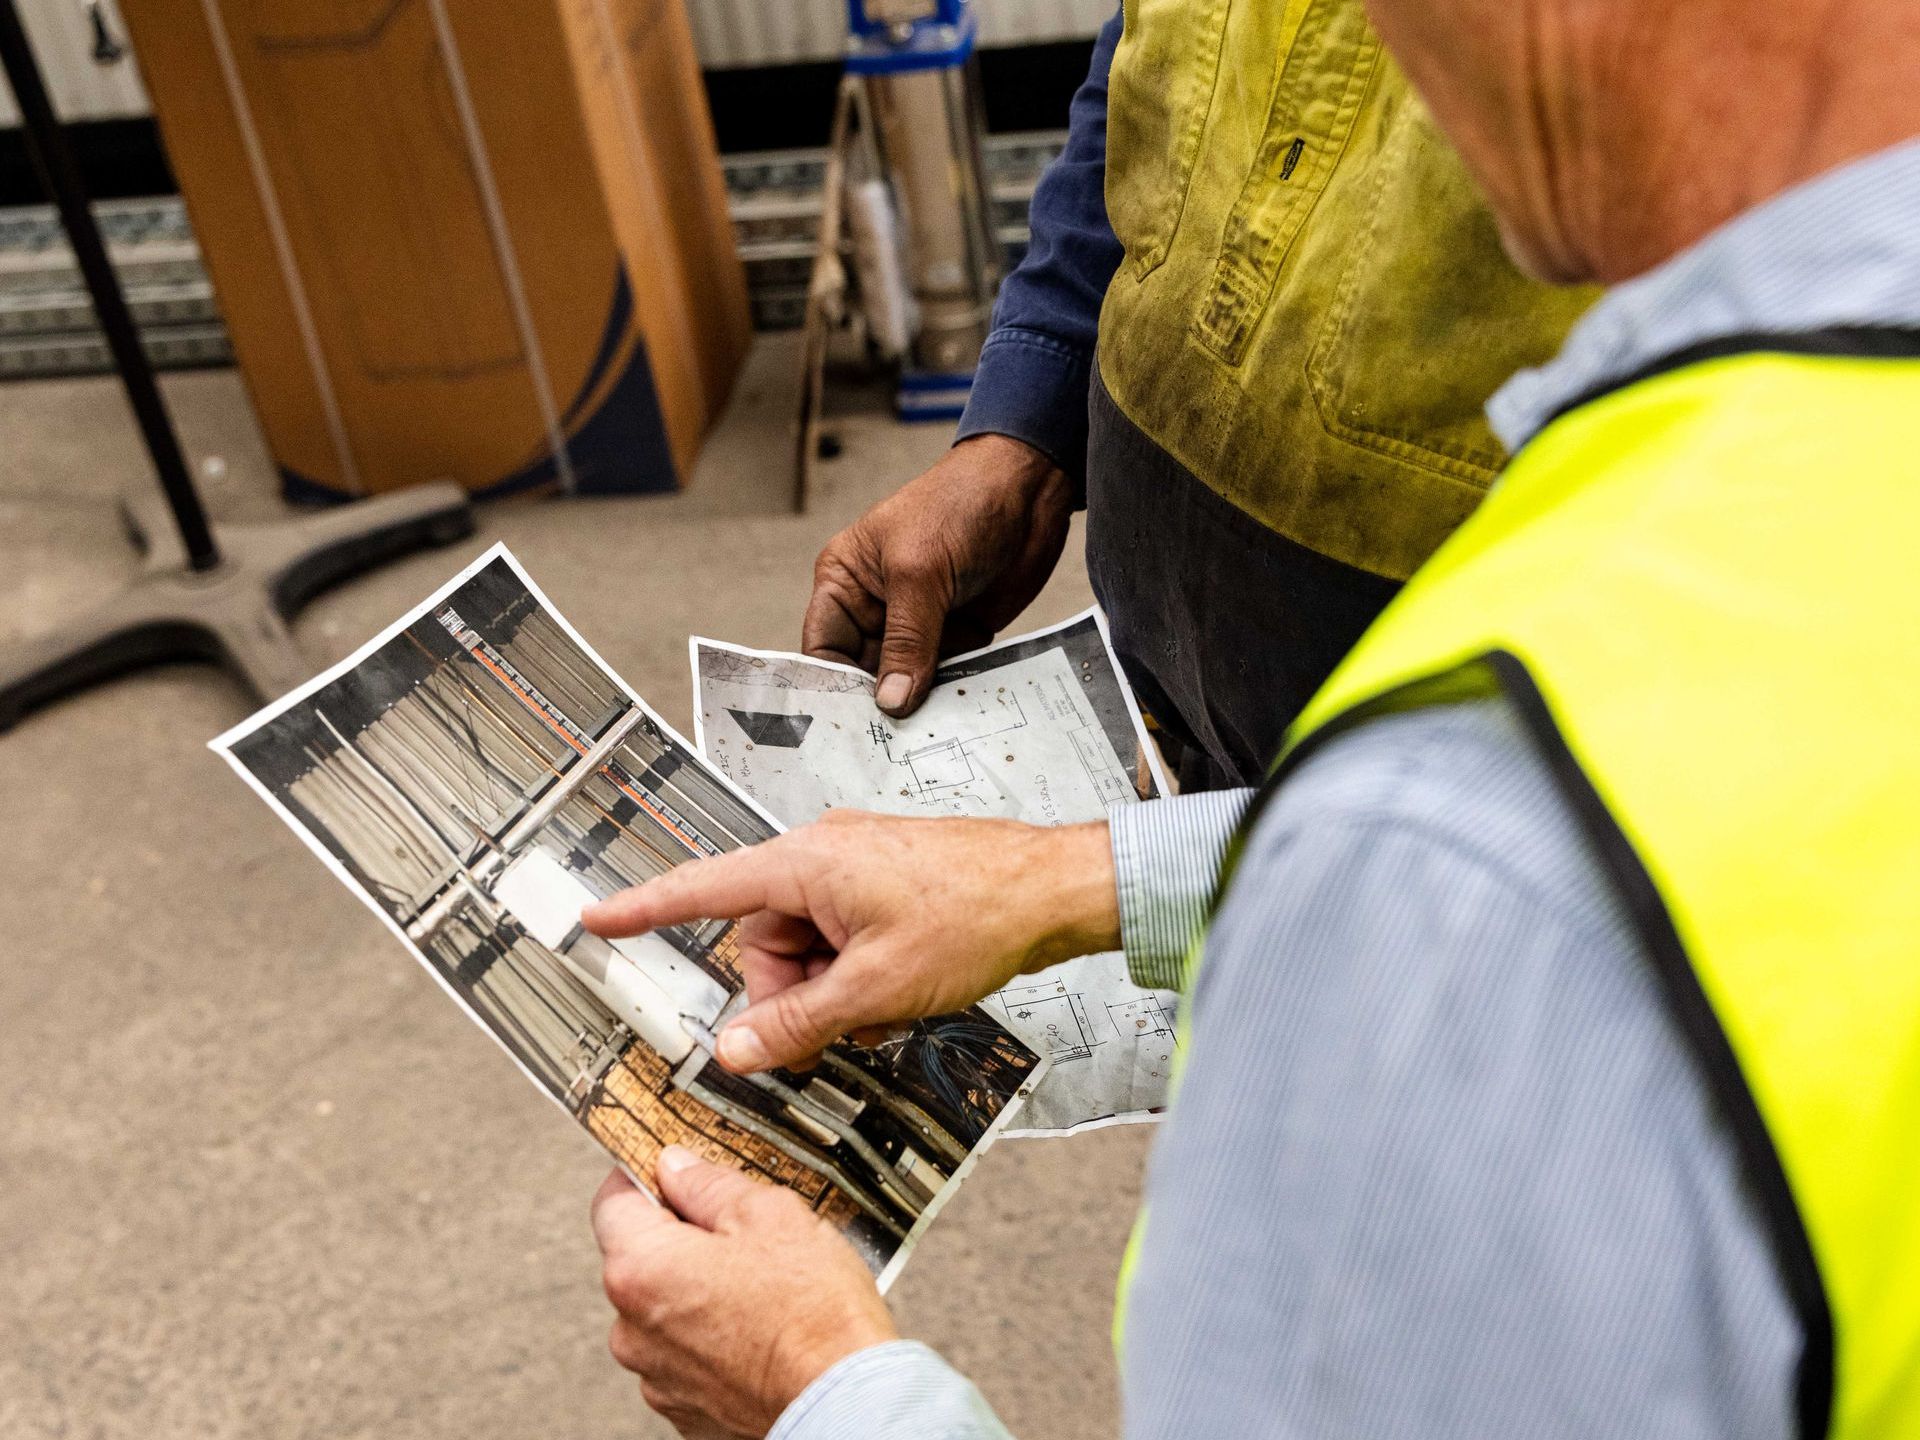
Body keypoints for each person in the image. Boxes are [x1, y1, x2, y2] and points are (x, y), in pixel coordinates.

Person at [586, 0, 1920, 1435]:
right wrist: (1074, 882)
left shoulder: (1460, 859)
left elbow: (1520, 882)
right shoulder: (1793, 503)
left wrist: (816, 1389)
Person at [803, 1, 1592, 791]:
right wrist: (1022, 430)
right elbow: (1147, 67)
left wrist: (1130, 874)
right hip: (1161, 694)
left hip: (1453, 768)